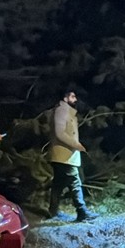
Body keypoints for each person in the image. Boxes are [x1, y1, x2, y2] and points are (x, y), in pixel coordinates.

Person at [48, 89, 97, 221]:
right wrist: (77, 145)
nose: (75, 100)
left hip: (64, 155)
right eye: (72, 96)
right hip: (64, 155)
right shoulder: (62, 111)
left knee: (58, 184)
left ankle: (53, 211)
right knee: (75, 182)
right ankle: (82, 211)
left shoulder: (66, 111)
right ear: (65, 98)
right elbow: (60, 133)